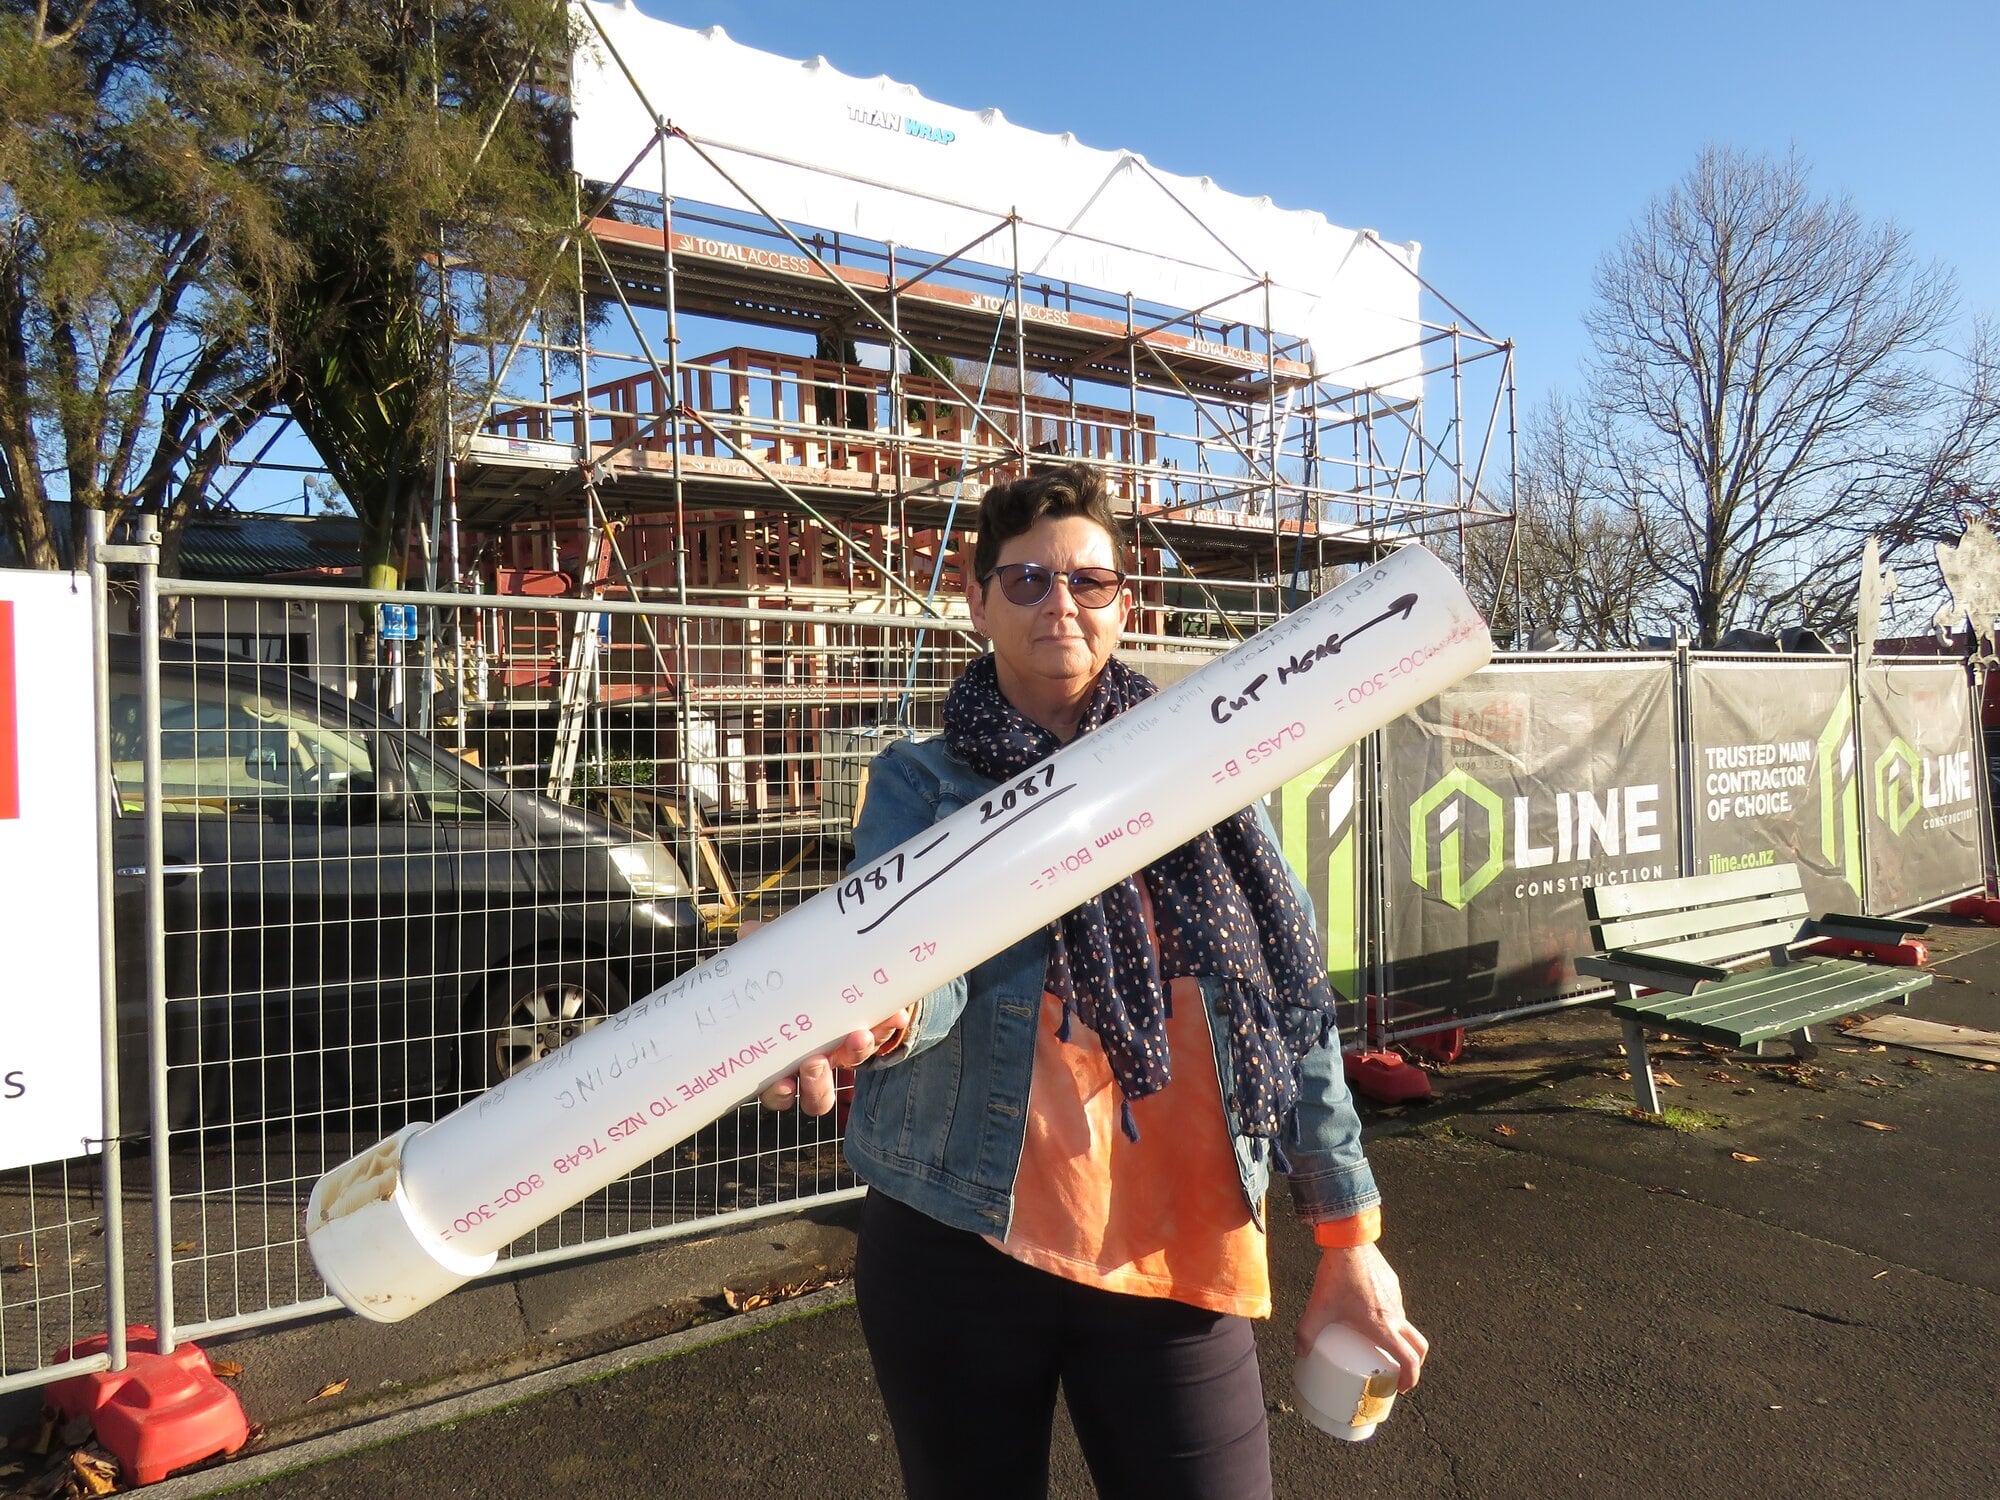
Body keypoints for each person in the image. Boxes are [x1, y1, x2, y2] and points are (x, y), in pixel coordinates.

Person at [760, 463, 1426, 1499]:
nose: (1058, 604)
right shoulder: (920, 783)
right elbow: (914, 973)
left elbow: (1289, 1003)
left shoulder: (1210, 762)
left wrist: (1348, 1240)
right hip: (956, 1243)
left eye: (1088, 581)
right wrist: (870, 1007)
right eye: (1023, 582)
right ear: (976, 603)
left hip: (1174, 1248)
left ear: (1125, 600)